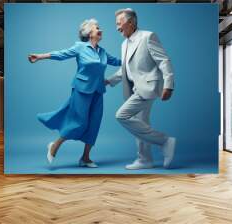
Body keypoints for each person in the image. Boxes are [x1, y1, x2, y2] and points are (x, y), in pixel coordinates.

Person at [28, 18, 121, 168]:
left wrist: (134, 58)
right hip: (82, 90)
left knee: (94, 124)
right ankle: (54, 145)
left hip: (98, 91)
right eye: (97, 27)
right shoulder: (80, 47)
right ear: (89, 32)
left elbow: (117, 61)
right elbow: (61, 54)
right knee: (79, 122)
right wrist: (40, 56)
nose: (100, 29)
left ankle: (85, 158)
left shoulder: (102, 52)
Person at [106, 8, 176, 169]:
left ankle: (164, 141)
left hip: (148, 86)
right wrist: (108, 81)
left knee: (121, 115)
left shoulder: (148, 36)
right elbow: (125, 69)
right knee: (140, 123)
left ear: (130, 22)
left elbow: (163, 61)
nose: (117, 27)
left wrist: (169, 84)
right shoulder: (124, 44)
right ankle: (145, 160)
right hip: (133, 88)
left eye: (119, 23)